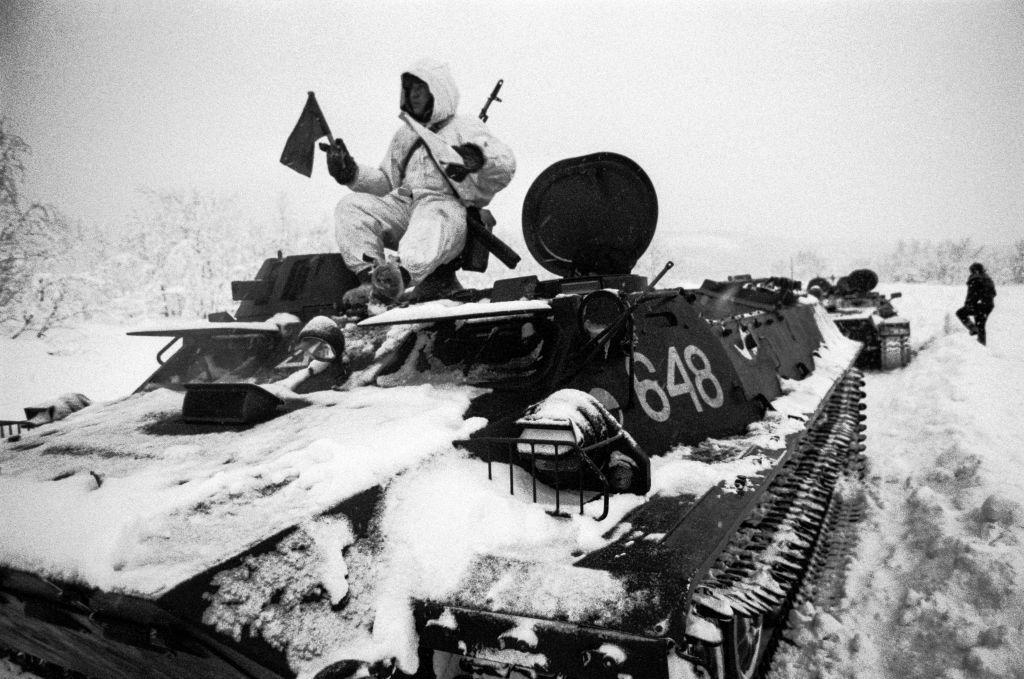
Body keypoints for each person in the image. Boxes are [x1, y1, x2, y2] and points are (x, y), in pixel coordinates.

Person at [324, 58, 516, 310]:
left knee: (431, 217)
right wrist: (351, 173)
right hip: (404, 204)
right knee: (351, 206)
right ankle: (372, 279)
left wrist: (476, 157)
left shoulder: (465, 127)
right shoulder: (404, 136)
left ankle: (397, 279)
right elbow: (386, 182)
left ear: (437, 91)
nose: (413, 96)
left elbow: (505, 164)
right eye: (409, 90)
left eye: (420, 90)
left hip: (446, 207)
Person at [955, 262, 996, 345]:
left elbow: (972, 294)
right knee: (981, 325)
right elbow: (994, 293)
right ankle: (982, 346)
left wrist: (968, 304)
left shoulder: (974, 278)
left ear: (974, 270)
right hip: (989, 305)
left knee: (960, 313)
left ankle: (973, 329)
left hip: (979, 305)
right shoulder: (988, 278)